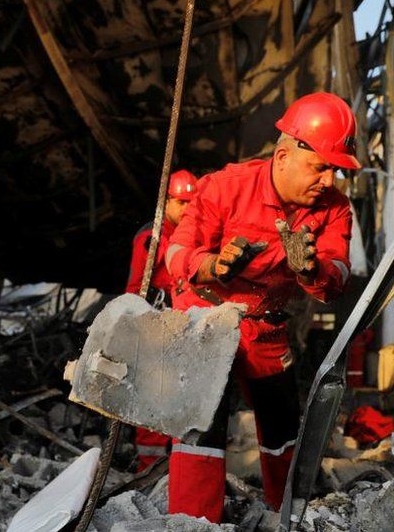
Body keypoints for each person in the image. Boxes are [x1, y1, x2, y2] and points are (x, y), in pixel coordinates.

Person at [164, 92, 358, 521]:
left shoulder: (335, 209)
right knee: (201, 425)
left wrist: (311, 269)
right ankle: (193, 523)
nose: (328, 180)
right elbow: (176, 255)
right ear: (284, 155)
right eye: (321, 167)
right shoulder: (224, 187)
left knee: (283, 426)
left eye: (335, 170)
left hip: (266, 328)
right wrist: (214, 266)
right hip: (207, 318)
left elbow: (339, 276)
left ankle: (286, 513)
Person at [125, 169, 196, 471]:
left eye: (191, 203)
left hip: (180, 327)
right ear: (166, 202)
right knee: (152, 399)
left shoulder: (189, 234)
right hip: (155, 328)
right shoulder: (150, 238)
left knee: (175, 397)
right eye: (181, 203)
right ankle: (148, 467)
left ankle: (170, 463)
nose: (187, 209)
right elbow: (135, 287)